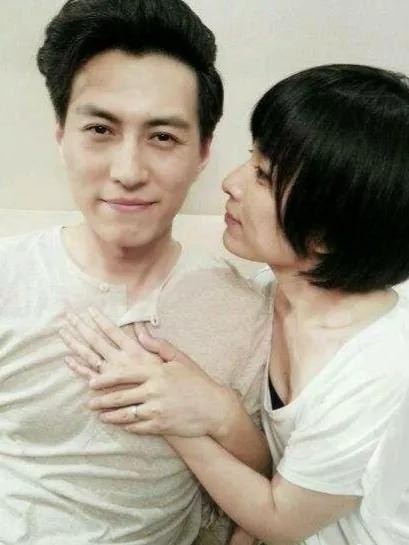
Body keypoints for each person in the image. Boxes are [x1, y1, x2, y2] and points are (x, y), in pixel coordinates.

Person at [62, 64, 409, 545]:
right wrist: (214, 407)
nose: (231, 182)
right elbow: (275, 468)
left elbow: (281, 521)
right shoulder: (270, 291)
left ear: (329, 230)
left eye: (264, 176)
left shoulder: (380, 370)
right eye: (251, 159)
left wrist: (175, 418)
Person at [0, 1, 271, 544]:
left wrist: (219, 413)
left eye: (162, 137)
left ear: (202, 151)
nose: (128, 172)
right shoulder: (9, 277)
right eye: (100, 129)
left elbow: (274, 478)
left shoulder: (250, 311)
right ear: (61, 134)